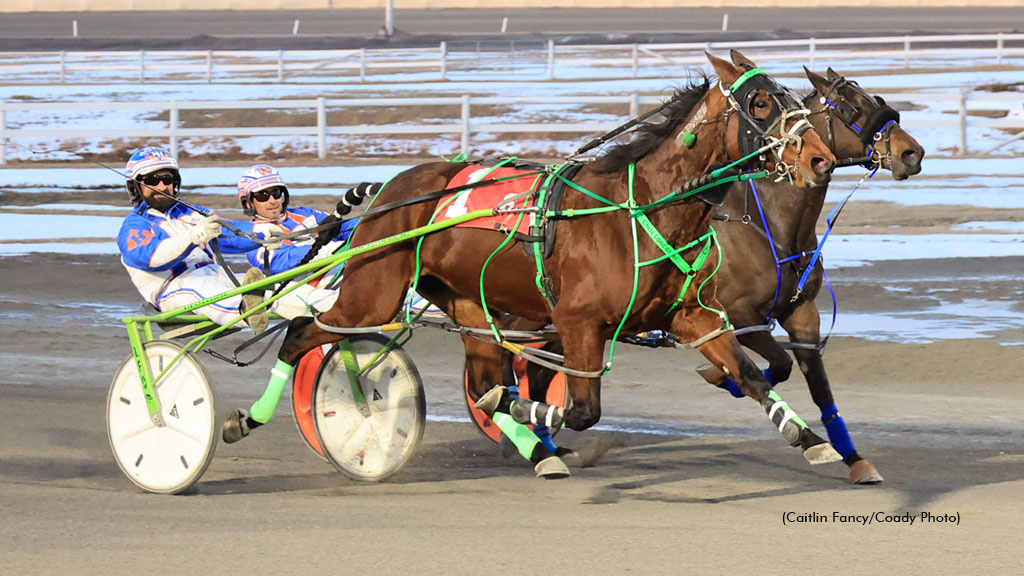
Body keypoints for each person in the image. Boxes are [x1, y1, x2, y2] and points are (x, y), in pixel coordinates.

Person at [117, 146, 271, 331]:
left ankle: (309, 305)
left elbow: (230, 232)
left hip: (217, 276)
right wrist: (194, 236)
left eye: (167, 179)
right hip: (174, 290)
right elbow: (151, 258)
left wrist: (268, 230)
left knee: (272, 287)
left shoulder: (193, 212)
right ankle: (246, 310)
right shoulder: (134, 226)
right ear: (135, 186)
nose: (161, 186)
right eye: (152, 180)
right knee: (202, 287)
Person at [236, 164, 358, 320]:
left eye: (276, 193)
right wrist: (331, 249)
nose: (272, 200)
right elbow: (287, 260)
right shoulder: (251, 238)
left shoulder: (306, 214)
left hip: (334, 274)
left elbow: (343, 228)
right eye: (263, 195)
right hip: (300, 290)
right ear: (248, 203)